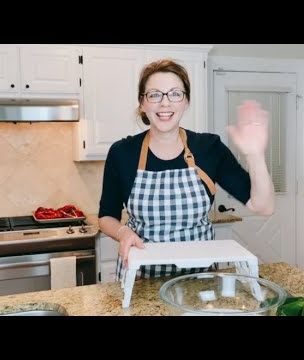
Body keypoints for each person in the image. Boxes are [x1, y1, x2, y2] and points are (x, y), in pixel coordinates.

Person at [98, 59, 275, 281]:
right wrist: (123, 233)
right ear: (142, 103)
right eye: (154, 94)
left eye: (175, 93)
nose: (165, 103)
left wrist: (256, 154)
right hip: (142, 279)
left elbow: (264, 206)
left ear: (186, 101)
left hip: (200, 280)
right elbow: (106, 217)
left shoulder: (209, 148)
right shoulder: (123, 152)